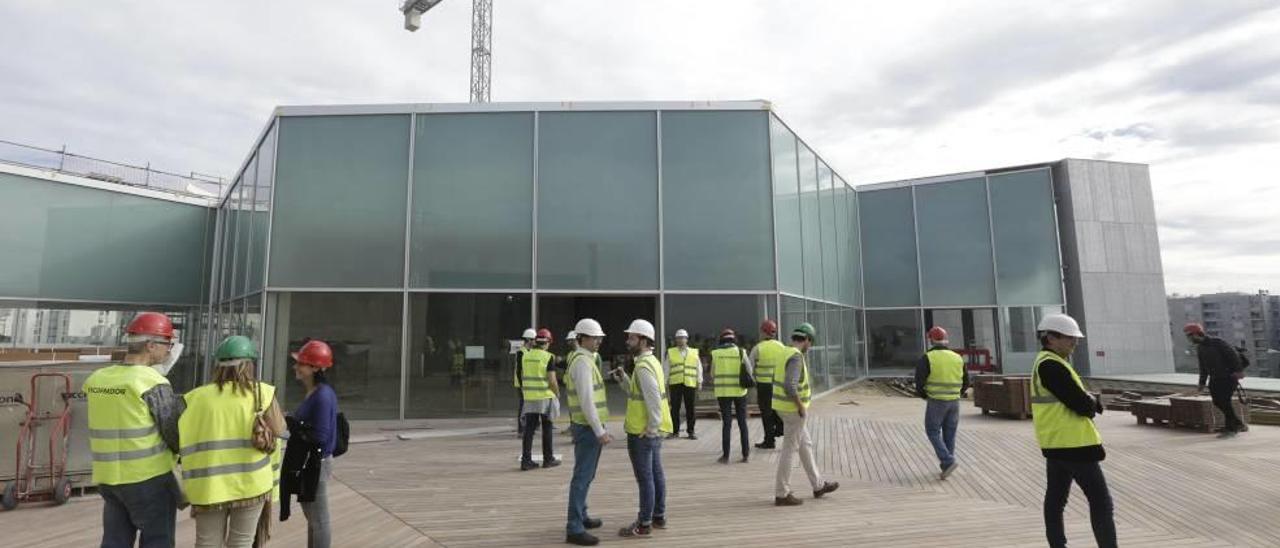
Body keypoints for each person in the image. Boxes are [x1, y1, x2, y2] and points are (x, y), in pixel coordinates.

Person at [83, 312, 184, 548]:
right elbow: (173, 433)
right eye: (167, 344)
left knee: (115, 541)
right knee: (157, 541)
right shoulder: (151, 382)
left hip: (108, 479)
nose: (169, 351)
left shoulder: (98, 379)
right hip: (149, 479)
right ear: (150, 345)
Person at [180, 336, 286, 548]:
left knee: (207, 542)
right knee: (242, 542)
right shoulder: (262, 393)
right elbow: (280, 429)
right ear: (249, 365)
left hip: (208, 485)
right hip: (251, 484)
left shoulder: (194, 398)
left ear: (217, 365)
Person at [1031, 314, 1116, 548]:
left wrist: (1089, 402)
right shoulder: (1051, 365)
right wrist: (1091, 404)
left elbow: (1079, 397)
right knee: (1101, 502)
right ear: (1051, 337)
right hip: (1074, 445)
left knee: (1056, 499)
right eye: (1069, 338)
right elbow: (1080, 403)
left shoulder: (1048, 362)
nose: (1074, 343)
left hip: (1056, 443)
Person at [613, 319, 674, 538]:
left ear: (643, 340)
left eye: (632, 337)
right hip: (651, 431)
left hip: (643, 432)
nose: (628, 341)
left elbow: (654, 400)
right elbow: (638, 394)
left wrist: (650, 428)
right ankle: (658, 516)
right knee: (655, 474)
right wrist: (624, 379)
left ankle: (644, 523)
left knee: (646, 478)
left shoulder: (644, 366)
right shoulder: (650, 363)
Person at [773, 322, 839, 506]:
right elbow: (789, 386)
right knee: (789, 449)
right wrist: (800, 406)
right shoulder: (795, 357)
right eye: (811, 342)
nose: (810, 346)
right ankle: (781, 493)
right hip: (792, 410)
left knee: (805, 444)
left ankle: (818, 486)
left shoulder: (784, 352)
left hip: (782, 408)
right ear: (807, 340)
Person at [289, 340, 340, 548]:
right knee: (313, 517)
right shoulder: (315, 393)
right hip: (310, 462)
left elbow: (319, 435)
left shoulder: (322, 397)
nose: (296, 367)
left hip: (316, 464)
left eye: (301, 363)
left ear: (315, 368)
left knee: (319, 520)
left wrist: (288, 429)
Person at [564, 319, 611, 546]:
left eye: (599, 337)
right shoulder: (582, 362)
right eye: (595, 337)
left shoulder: (584, 359)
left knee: (586, 475)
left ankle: (581, 516)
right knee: (582, 477)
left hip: (586, 427)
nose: (599, 341)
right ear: (582, 338)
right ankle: (574, 527)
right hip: (587, 428)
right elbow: (586, 401)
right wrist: (599, 430)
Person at [915, 326, 969, 480]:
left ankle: (948, 460)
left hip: (936, 401)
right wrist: (957, 393)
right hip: (954, 401)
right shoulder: (957, 357)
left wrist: (924, 395)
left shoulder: (927, 358)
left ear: (931, 340)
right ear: (946, 340)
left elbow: (919, 381)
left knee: (932, 431)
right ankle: (947, 466)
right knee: (949, 434)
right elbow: (967, 381)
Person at [1186, 323, 1247, 437]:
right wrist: (1202, 383)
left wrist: (1238, 371)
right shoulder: (1200, 348)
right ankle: (1238, 423)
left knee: (1224, 401)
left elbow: (1233, 355)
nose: (1189, 339)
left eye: (1189, 336)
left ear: (1196, 333)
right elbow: (1203, 367)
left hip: (1228, 377)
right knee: (1217, 401)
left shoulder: (1217, 342)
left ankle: (1231, 428)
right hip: (1215, 378)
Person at [521, 328, 562, 470]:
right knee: (547, 428)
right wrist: (557, 393)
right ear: (548, 342)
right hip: (545, 397)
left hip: (530, 397)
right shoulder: (548, 357)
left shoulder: (526, 355)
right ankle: (548, 459)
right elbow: (552, 380)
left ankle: (526, 461)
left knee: (529, 430)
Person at [710, 329, 753, 464]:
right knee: (742, 423)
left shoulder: (716, 354)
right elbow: (749, 371)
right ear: (734, 340)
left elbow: (712, 374)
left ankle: (726, 456)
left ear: (721, 340)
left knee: (727, 424)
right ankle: (745, 455)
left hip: (723, 393)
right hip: (740, 392)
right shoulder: (741, 352)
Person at [751, 319, 786, 449]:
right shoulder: (781, 346)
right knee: (778, 409)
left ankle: (769, 441)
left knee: (766, 413)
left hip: (764, 386)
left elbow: (750, 367)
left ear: (763, 332)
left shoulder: (758, 348)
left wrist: (753, 381)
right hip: (778, 385)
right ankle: (781, 428)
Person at [662, 329, 701, 440]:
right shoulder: (671, 352)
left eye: (683, 338)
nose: (681, 340)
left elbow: (699, 367)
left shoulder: (694, 352)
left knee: (690, 408)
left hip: (690, 383)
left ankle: (691, 431)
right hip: (675, 383)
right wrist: (665, 382)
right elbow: (666, 368)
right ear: (676, 340)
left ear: (686, 339)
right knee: (675, 408)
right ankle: (674, 431)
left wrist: (700, 380)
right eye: (679, 338)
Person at [515, 328, 537, 435]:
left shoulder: (530, 351)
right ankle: (521, 429)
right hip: (522, 384)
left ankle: (529, 427)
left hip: (529, 384)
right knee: (523, 406)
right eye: (533, 339)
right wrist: (522, 385)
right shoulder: (521, 352)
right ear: (528, 340)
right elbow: (519, 370)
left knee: (529, 406)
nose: (535, 342)